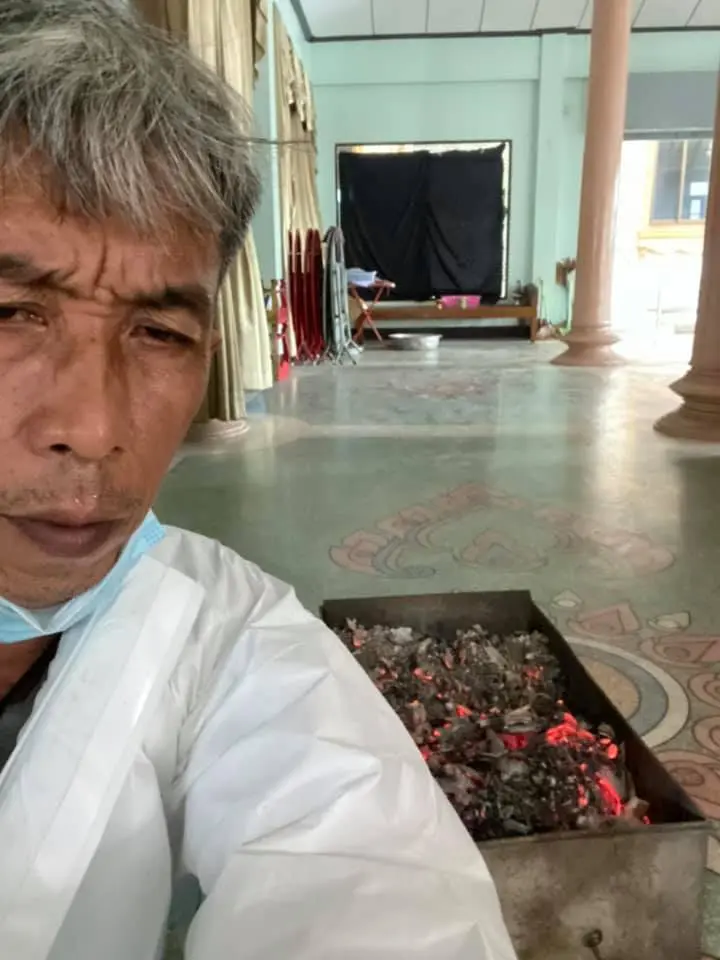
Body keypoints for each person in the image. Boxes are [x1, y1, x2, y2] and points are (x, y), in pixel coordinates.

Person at [0, 2, 518, 959]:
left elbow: (375, 883)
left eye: (159, 332)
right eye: (11, 313)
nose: (95, 429)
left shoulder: (223, 636)